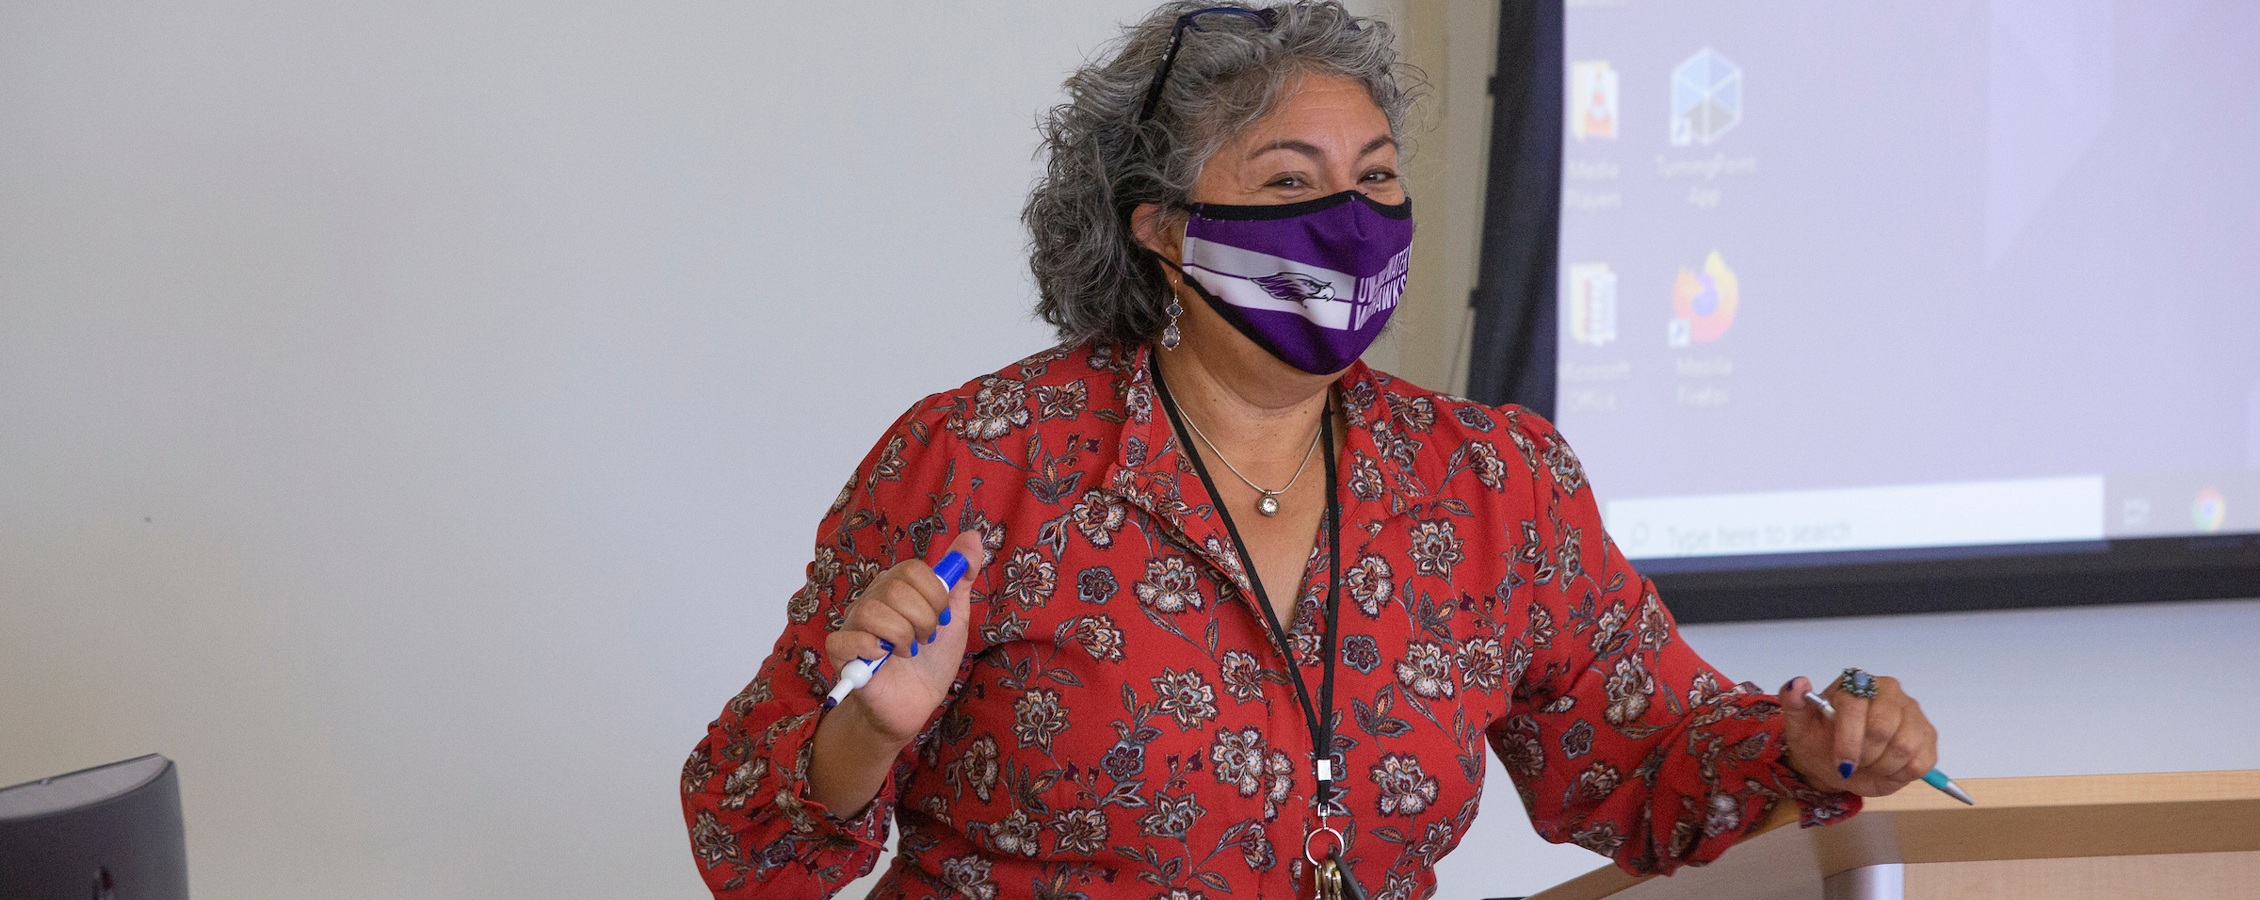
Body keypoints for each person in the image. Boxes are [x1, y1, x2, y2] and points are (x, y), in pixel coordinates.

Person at [681, 4, 1941, 899]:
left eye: (1377, 179)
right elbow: (750, 844)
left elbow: (1641, 766)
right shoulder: (984, 460)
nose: (1352, 223)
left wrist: (1812, 744)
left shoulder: (1496, 482)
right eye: (1292, 184)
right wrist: (871, 733)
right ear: (1166, 230)